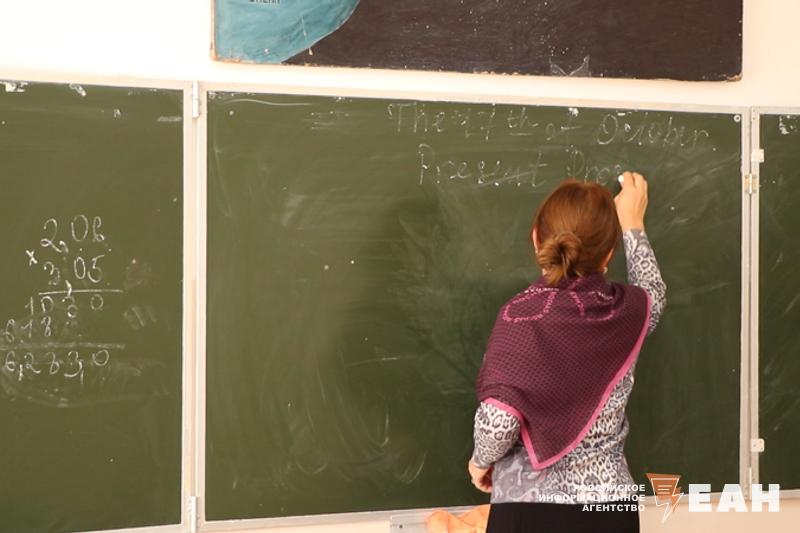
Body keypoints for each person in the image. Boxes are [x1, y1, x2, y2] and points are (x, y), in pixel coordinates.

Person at [468, 172, 667, 533]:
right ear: (608, 255)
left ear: (536, 239)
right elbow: (653, 290)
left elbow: (499, 420)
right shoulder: (628, 312)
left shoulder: (521, 318)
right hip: (610, 509)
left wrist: (480, 461)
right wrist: (633, 224)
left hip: (531, 510)